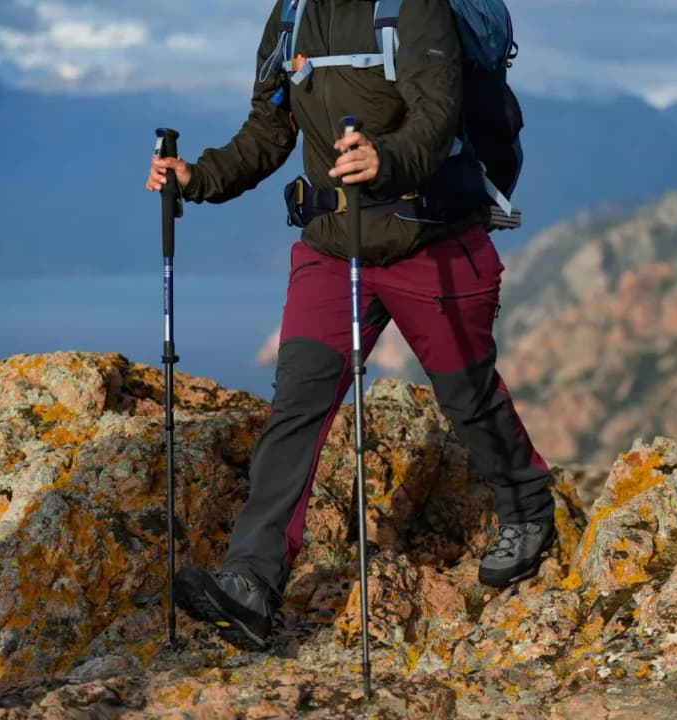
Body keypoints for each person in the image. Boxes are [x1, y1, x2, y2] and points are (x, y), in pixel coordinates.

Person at [144, 0, 556, 652]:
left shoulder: (414, 8)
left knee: (465, 394)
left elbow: (435, 117)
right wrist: (198, 178)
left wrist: (383, 160)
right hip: (335, 245)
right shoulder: (292, 15)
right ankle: (252, 583)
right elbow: (268, 129)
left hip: (432, 239)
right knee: (297, 402)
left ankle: (528, 508)